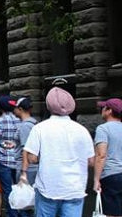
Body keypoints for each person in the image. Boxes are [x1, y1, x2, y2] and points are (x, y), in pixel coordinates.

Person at [20, 87, 94, 217]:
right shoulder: (82, 130)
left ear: (49, 106)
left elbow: (32, 158)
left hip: (48, 188)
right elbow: (91, 161)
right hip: (75, 188)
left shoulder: (39, 129)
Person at [0, 95, 22, 217]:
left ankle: (12, 214)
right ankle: (19, 212)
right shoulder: (20, 120)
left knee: (7, 190)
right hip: (18, 160)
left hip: (4, 161)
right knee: (18, 188)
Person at [95, 97, 122, 217]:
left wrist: (96, 179)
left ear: (109, 110)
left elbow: (101, 155)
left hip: (111, 176)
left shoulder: (103, 129)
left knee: (111, 213)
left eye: (103, 108)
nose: (102, 110)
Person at [14, 97, 39, 186]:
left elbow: (26, 150)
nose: (14, 110)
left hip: (27, 169)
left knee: (25, 198)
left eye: (15, 108)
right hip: (32, 168)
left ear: (20, 109)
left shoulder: (25, 126)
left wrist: (23, 172)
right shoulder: (34, 123)